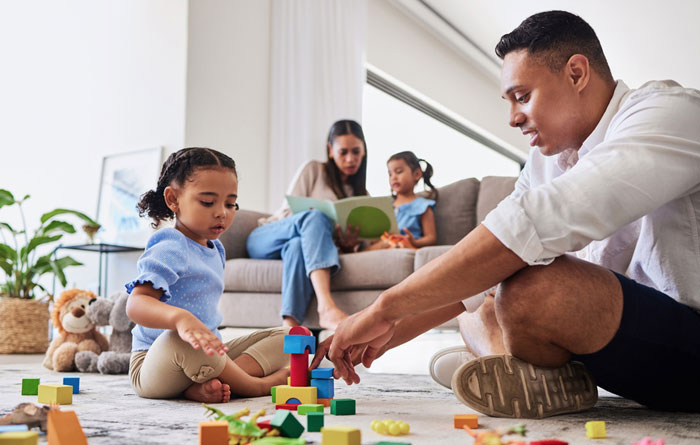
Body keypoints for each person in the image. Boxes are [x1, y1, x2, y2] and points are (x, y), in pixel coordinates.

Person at [316, 10, 700, 418]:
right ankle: (527, 373)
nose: (513, 117)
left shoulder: (670, 114)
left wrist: (383, 309)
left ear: (576, 73)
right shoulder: (546, 157)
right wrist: (383, 334)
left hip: (686, 341)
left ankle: (501, 362)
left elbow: (532, 225)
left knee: (532, 289)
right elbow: (481, 268)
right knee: (476, 308)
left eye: (522, 96)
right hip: (614, 337)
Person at [126, 147, 290, 403]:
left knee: (289, 338)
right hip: (153, 363)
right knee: (184, 342)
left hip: (205, 355)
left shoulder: (216, 249)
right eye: (207, 202)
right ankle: (254, 386)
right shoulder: (170, 244)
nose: (221, 212)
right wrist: (181, 319)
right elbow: (136, 305)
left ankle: (204, 384)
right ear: (173, 199)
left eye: (230, 203)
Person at [246, 119, 368, 330]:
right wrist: (314, 219)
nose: (350, 159)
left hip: (295, 247)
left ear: (364, 151)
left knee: (297, 247)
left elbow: (319, 246)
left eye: (356, 152)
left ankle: (289, 328)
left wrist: (347, 246)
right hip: (267, 238)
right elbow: (286, 210)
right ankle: (326, 307)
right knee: (315, 217)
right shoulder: (314, 170)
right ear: (330, 150)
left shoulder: (362, 196)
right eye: (343, 152)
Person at [366, 151, 437, 250]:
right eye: (390, 174)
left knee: (397, 244)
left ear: (417, 174)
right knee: (374, 247)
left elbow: (431, 238)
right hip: (386, 243)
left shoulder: (423, 206)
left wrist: (415, 241)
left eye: (399, 172)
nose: (393, 177)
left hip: (406, 245)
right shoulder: (387, 206)